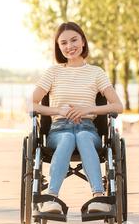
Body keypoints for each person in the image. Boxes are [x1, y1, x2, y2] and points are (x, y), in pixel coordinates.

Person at [32, 22, 123, 214]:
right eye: (63, 43)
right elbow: (30, 104)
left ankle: (98, 197)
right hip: (59, 130)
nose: (69, 46)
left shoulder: (96, 72)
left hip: (87, 129)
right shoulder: (53, 72)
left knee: (80, 136)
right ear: (59, 47)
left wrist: (87, 109)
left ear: (83, 42)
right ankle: (51, 199)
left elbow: (118, 106)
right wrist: (59, 111)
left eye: (74, 40)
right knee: (67, 137)